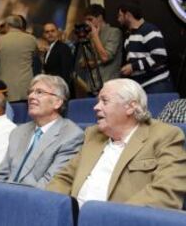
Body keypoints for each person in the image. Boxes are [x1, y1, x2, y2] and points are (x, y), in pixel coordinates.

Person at [47, 78, 186, 210]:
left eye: (104, 101)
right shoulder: (93, 135)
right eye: (97, 101)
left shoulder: (164, 135)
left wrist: (112, 216)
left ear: (131, 107)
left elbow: (167, 192)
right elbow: (64, 178)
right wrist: (54, 208)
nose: (95, 107)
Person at [0, 74, 84, 189]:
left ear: (57, 102)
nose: (31, 96)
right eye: (30, 92)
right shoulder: (18, 132)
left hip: (33, 201)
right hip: (3, 196)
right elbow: (0, 174)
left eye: (39, 92)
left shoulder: (71, 136)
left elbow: (50, 184)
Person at [117, 2, 173, 93]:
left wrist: (133, 67)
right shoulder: (129, 34)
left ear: (128, 15)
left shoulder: (149, 30)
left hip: (156, 83)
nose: (118, 19)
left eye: (120, 15)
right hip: (141, 86)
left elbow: (160, 57)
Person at [0, 14, 38, 102]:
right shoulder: (31, 39)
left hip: (5, 89)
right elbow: (36, 59)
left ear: (7, 25)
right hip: (26, 87)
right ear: (21, 25)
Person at [80, 4, 122, 91]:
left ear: (100, 17)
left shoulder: (114, 32)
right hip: (91, 86)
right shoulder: (88, 35)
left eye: (90, 19)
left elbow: (105, 57)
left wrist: (95, 37)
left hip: (109, 86)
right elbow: (82, 63)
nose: (87, 23)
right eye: (86, 20)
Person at [42, 22, 74, 96]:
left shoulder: (63, 48)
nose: (50, 34)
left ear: (57, 32)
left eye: (52, 31)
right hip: (52, 90)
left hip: (61, 91)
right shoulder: (49, 50)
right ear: (44, 35)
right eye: (47, 32)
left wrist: (63, 91)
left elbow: (66, 72)